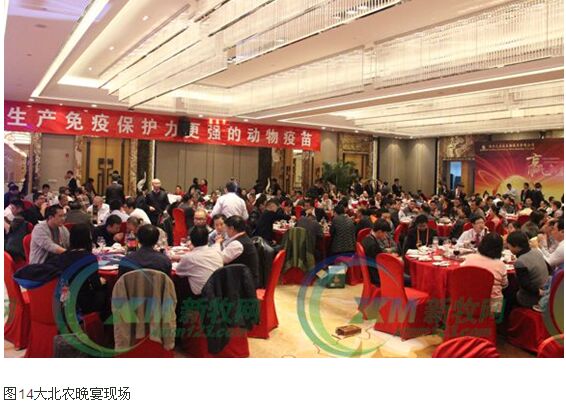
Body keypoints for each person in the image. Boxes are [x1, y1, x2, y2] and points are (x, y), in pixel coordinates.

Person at [462, 233, 508, 314]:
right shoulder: (501, 265)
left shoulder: (469, 258)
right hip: (492, 305)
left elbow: (460, 276)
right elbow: (504, 285)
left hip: (468, 300)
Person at [176, 226, 223, 296]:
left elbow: (178, 272)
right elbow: (217, 245)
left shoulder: (188, 257)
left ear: (191, 241)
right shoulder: (217, 251)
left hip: (202, 296)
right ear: (207, 239)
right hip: (220, 292)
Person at [506, 231, 549, 308]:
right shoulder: (536, 251)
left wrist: (539, 292)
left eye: (509, 246)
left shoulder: (520, 262)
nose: (509, 249)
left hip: (533, 297)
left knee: (508, 293)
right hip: (546, 289)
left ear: (516, 246)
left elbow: (525, 285)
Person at [216, 215, 260, 288]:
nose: (225, 231)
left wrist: (217, 243)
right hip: (245, 278)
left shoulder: (237, 244)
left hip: (244, 284)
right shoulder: (243, 238)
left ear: (232, 228)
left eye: (226, 228)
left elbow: (219, 259)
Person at [362, 219, 402, 286]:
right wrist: (392, 257)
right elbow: (380, 263)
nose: (385, 235)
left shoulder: (366, 239)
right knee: (408, 279)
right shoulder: (373, 245)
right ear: (380, 231)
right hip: (377, 276)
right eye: (385, 232)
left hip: (371, 273)